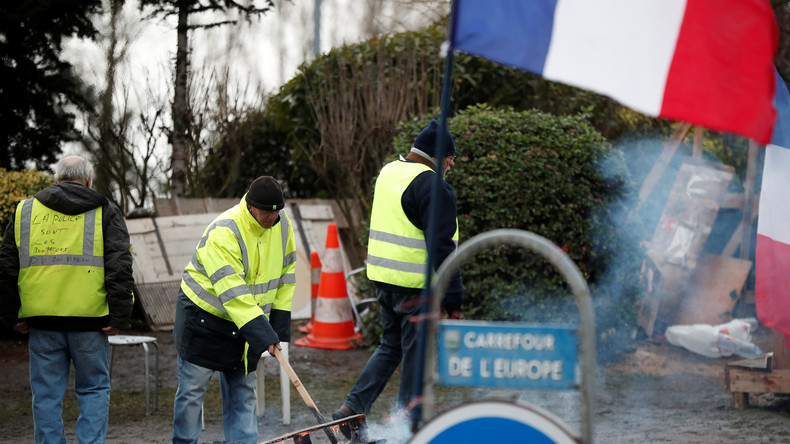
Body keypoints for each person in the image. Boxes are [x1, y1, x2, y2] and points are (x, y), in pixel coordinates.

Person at [333, 120, 464, 429]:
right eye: (450, 156)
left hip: (384, 280)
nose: (453, 162)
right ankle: (408, 427)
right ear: (436, 154)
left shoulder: (390, 172)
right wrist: (454, 296)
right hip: (416, 288)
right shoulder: (433, 186)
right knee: (416, 358)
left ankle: (352, 410)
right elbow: (441, 246)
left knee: (390, 347)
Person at [0, 155, 135, 444]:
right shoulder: (105, 211)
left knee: (46, 395)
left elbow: (6, 267)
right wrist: (119, 315)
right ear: (88, 181)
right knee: (94, 390)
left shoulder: (25, 211)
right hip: (90, 322)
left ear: (55, 180)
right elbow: (120, 265)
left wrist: (12, 315)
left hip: (42, 322)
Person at [172, 175, 296, 444]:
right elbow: (234, 292)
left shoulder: (281, 224)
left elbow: (287, 274)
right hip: (204, 320)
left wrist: (278, 327)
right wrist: (264, 334)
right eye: (266, 213)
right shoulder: (225, 232)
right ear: (251, 206)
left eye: (277, 212)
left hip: (246, 323)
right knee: (192, 393)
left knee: (243, 392)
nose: (272, 219)